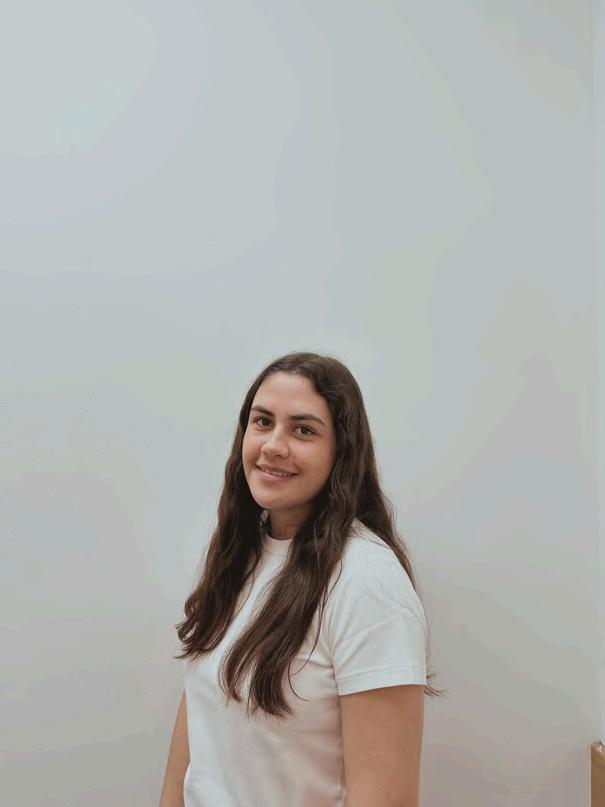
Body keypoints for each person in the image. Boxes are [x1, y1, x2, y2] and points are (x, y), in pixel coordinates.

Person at [159, 351, 443, 807]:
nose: (273, 445)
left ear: (342, 452)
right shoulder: (240, 553)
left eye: (303, 430)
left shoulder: (368, 583)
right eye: (263, 422)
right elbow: (198, 714)